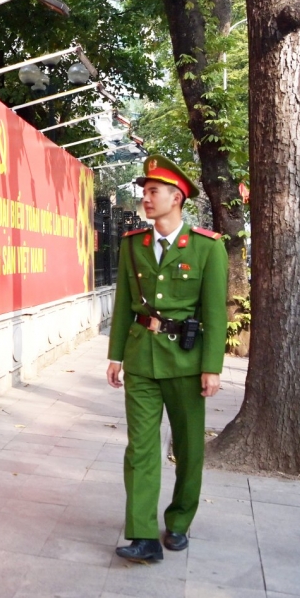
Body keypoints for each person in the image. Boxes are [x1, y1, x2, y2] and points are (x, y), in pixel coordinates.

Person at [106, 156, 229, 562]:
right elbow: (123, 303)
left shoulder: (207, 247)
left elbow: (215, 312)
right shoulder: (132, 244)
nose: (146, 198)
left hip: (186, 361)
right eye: (144, 192)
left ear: (176, 198)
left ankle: (178, 521)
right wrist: (116, 356)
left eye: (153, 191)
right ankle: (142, 535)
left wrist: (212, 367)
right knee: (140, 448)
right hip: (141, 358)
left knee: (189, 448)